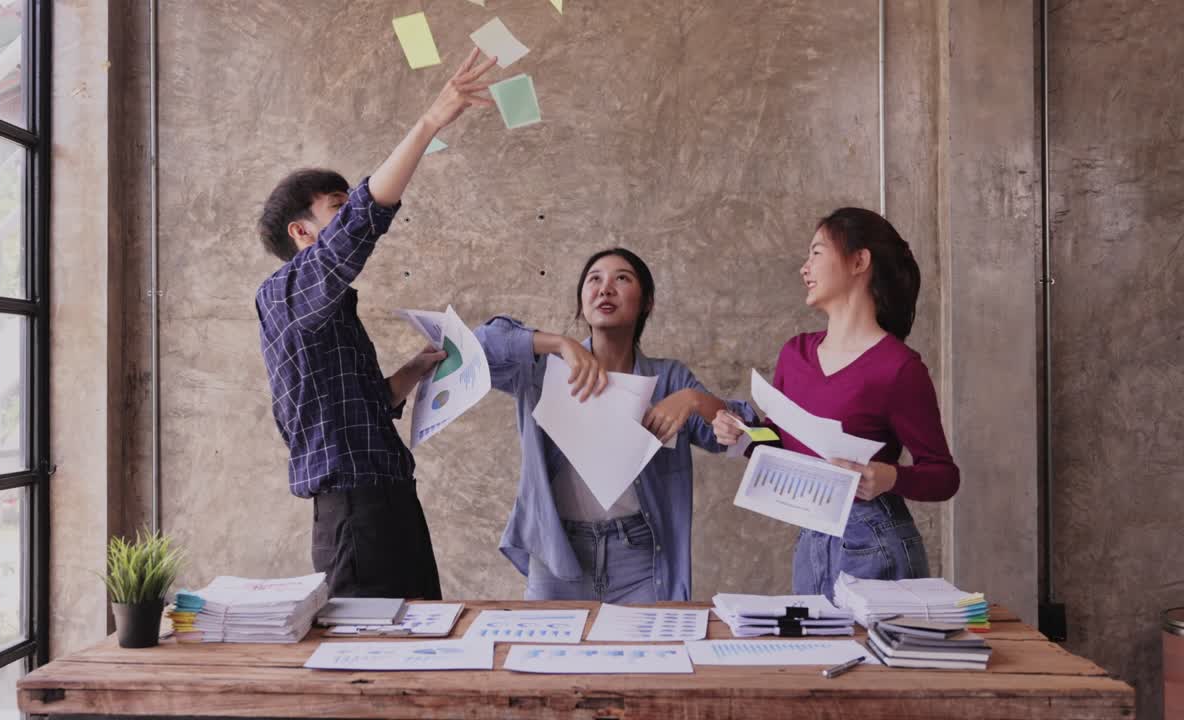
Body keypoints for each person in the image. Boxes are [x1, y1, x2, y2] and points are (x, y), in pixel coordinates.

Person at [255, 49, 497, 599]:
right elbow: (366, 218)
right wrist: (431, 121)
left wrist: (413, 372)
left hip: (388, 500)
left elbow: (357, 410)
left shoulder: (325, 307)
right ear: (302, 233)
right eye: (334, 206)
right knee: (367, 668)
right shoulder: (286, 293)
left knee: (422, 650)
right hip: (355, 513)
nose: (347, 213)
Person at [475, 248, 755, 601]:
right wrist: (560, 343)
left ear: (647, 303)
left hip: (640, 559)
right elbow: (475, 347)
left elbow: (744, 432)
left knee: (649, 655)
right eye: (595, 279)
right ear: (581, 302)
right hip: (559, 555)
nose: (605, 288)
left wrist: (694, 400)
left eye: (622, 278)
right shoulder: (542, 369)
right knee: (547, 657)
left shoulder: (669, 379)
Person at [713, 208, 959, 600]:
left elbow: (944, 475)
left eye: (816, 253)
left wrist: (890, 478)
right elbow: (779, 445)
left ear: (859, 261)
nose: (804, 268)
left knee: (882, 663)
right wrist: (741, 434)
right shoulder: (795, 354)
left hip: (877, 541)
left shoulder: (898, 368)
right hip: (812, 541)